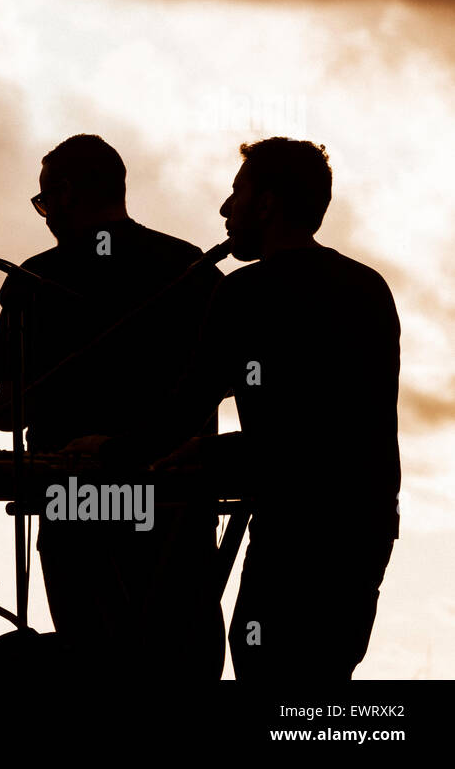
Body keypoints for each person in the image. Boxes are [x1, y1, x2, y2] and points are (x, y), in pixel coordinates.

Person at [0, 134, 225, 679]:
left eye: (44, 201)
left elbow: (9, 411)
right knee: (181, 647)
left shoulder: (35, 280)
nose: (44, 215)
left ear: (68, 193)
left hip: (74, 498)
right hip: (174, 497)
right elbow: (220, 379)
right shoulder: (191, 268)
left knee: (92, 651)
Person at [145, 138, 400, 679]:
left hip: (294, 528)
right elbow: (332, 427)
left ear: (266, 204)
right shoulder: (368, 288)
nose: (224, 208)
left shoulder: (246, 292)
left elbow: (190, 403)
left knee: (260, 655)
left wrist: (114, 450)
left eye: (237, 192)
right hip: (364, 528)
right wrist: (217, 449)